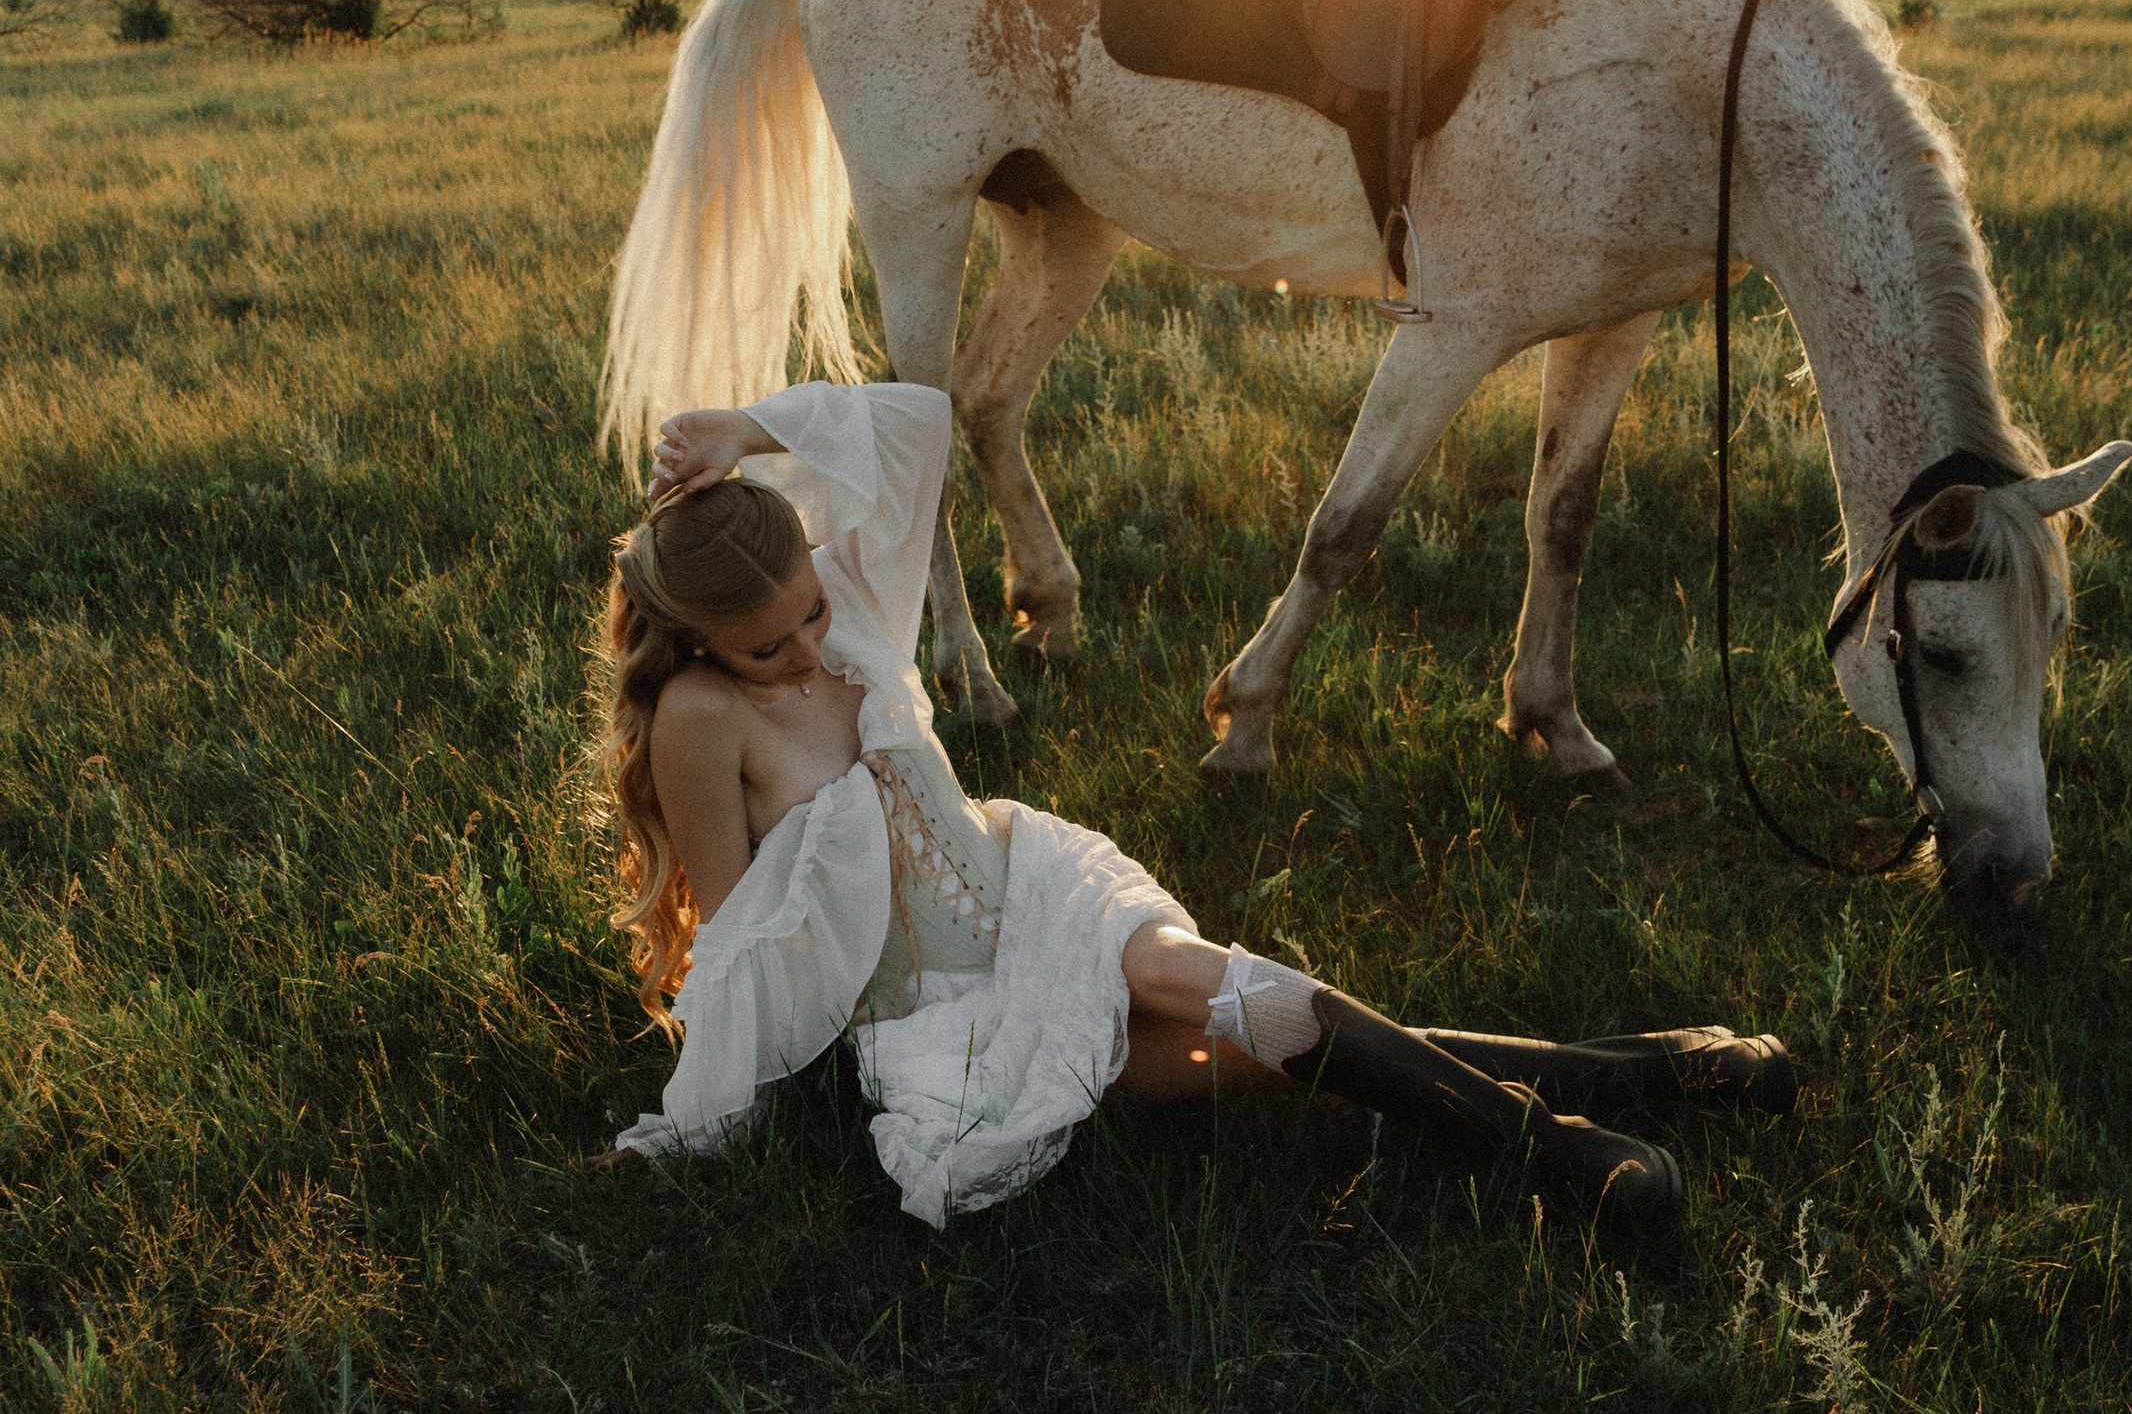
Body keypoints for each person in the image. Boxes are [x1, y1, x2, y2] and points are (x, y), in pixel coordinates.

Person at [600, 378, 1792, 1237]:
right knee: (1255, 1061)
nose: (812, 649)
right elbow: (746, 929)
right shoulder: (701, 719)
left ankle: (1553, 1154)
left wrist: (748, 430)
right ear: (697, 644)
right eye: (767, 647)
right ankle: (1636, 1069)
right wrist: (716, 1113)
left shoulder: (841, 603)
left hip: (1033, 884)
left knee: (1211, 974)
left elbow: (914, 418)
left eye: (812, 611)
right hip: (950, 1014)